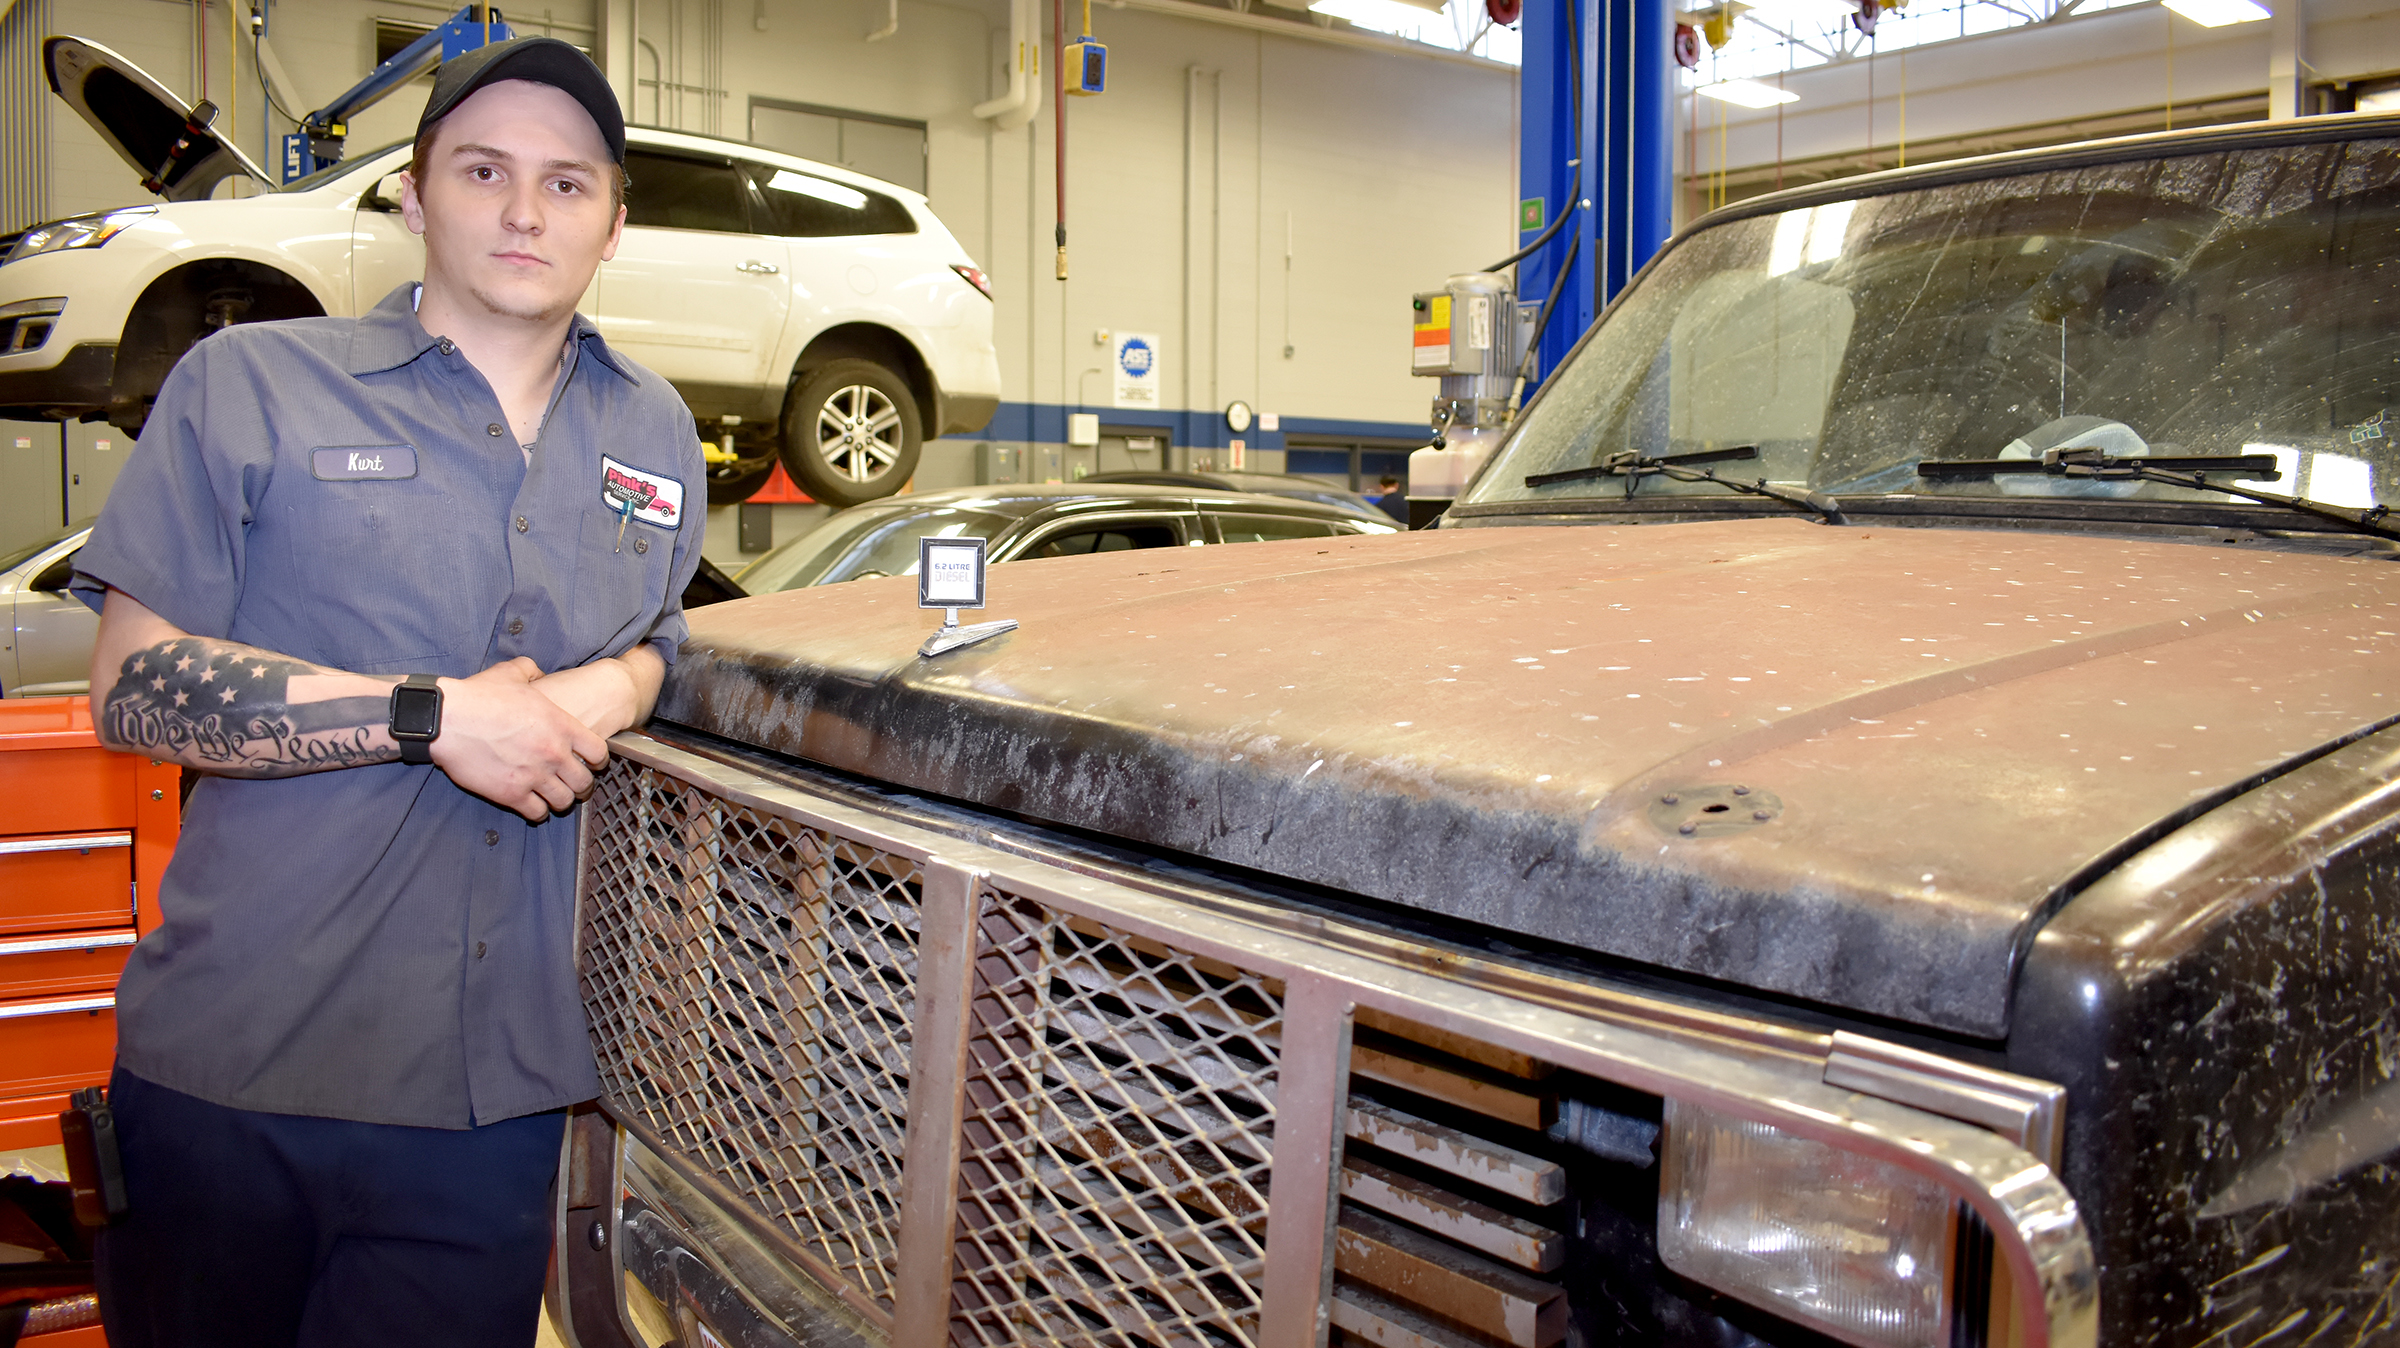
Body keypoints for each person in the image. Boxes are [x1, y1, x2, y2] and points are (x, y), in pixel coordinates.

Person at [68, 37, 703, 1348]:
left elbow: (676, 635)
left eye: (569, 185)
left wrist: (624, 681)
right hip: (231, 1078)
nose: (527, 213)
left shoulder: (656, 435)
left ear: (615, 224)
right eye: (485, 172)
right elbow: (136, 688)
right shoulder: (251, 388)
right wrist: (433, 716)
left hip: (494, 1109)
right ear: (413, 197)